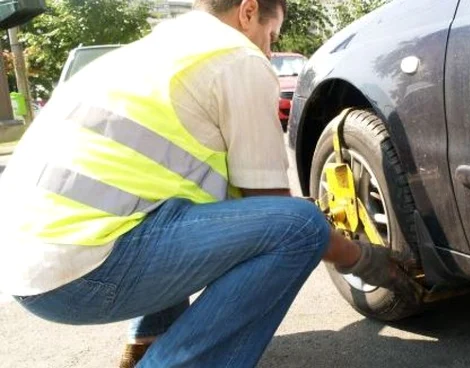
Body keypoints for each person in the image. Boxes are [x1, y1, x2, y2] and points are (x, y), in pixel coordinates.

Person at [0, 0, 420, 367]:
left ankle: (148, 343)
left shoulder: (158, 49)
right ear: (248, 10)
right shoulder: (236, 56)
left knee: (180, 205)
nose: (269, 50)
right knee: (300, 227)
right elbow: (276, 212)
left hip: (29, 266)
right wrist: (362, 258)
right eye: (271, 36)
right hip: (77, 273)